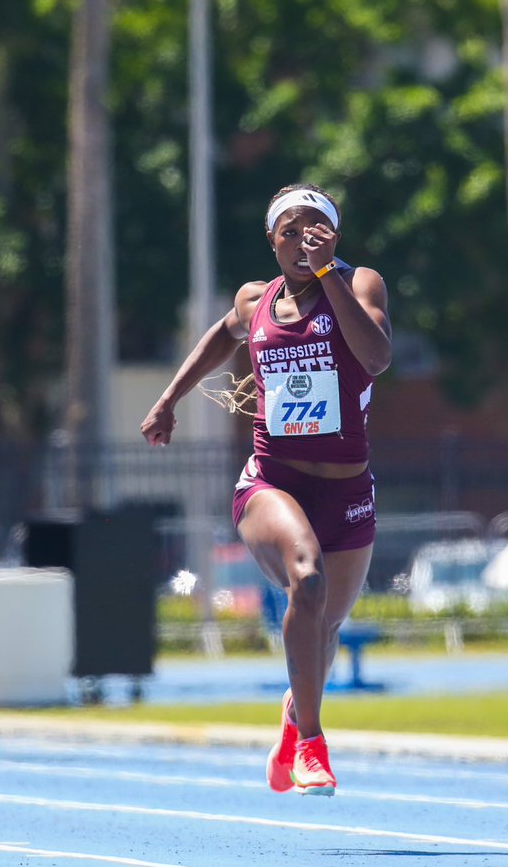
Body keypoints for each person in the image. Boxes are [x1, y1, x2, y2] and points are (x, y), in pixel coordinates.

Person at [141, 184, 391, 794]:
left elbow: (376, 355)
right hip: (271, 483)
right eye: (289, 230)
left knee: (324, 629)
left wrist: (329, 270)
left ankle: (293, 716)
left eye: (315, 230)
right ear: (271, 239)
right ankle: (311, 743)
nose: (300, 240)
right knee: (306, 579)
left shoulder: (360, 285)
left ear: (332, 236)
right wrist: (169, 398)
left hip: (348, 491)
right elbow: (221, 336)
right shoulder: (256, 299)